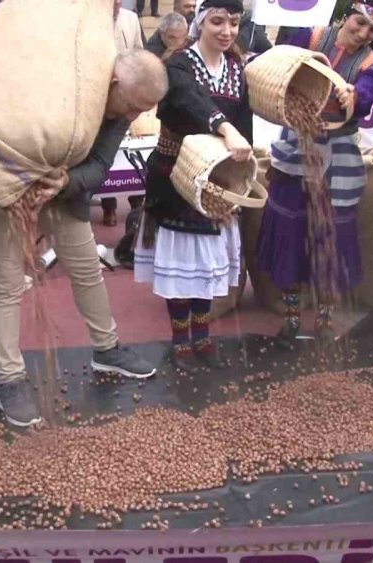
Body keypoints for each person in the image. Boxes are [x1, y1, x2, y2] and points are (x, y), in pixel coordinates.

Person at [0, 50, 165, 427]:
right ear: (113, 83)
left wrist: (66, 182)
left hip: (61, 191)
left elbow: (99, 165)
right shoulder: (54, 78)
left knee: (86, 268)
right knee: (7, 284)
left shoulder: (120, 110)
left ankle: (106, 348)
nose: (133, 116)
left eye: (142, 110)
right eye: (133, 106)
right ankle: (10, 380)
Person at [258, 0, 373, 347]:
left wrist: (351, 95)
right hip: (297, 145)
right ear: (347, 16)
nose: (363, 34)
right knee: (291, 231)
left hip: (340, 153)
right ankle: (290, 317)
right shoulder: (312, 35)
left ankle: (325, 320)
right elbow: (283, 64)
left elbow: (365, 98)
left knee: (332, 237)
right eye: (359, 24)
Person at [134, 0, 252, 373]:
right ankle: (180, 340)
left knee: (206, 267)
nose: (226, 31)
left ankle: (202, 335)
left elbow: (244, 119)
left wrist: (243, 165)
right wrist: (224, 127)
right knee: (183, 264)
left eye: (233, 23)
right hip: (177, 179)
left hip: (217, 180)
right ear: (200, 22)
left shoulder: (236, 68)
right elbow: (188, 99)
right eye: (217, 21)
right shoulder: (179, 63)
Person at [103, 0, 147, 228]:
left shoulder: (131, 19)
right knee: (105, 156)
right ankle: (108, 206)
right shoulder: (85, 18)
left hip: (126, 98)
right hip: (97, 102)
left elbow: (139, 53)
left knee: (129, 152)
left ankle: (135, 203)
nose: (116, 2)